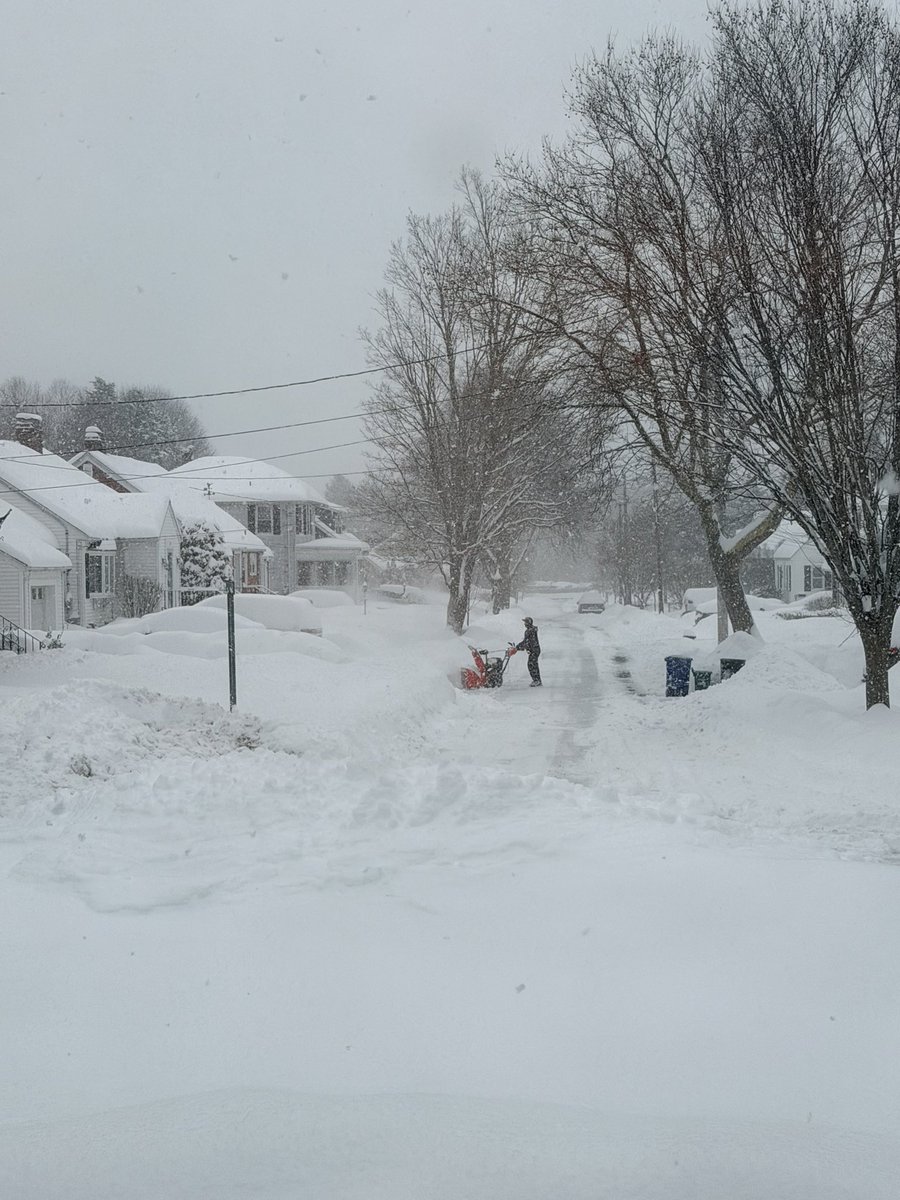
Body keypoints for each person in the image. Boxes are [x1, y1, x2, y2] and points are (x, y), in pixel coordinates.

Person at [516, 616, 542, 686]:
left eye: (525, 622)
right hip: (535, 649)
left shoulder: (530, 631)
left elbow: (526, 642)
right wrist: (519, 647)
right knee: (533, 665)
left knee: (532, 665)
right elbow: (527, 642)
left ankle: (537, 680)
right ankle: (537, 680)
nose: (524, 624)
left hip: (534, 650)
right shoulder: (532, 630)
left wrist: (517, 647)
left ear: (528, 623)